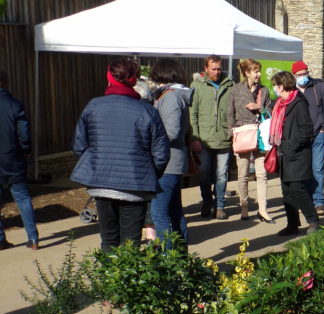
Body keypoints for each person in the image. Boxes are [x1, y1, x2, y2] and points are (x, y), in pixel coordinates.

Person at [71, 59, 169, 251]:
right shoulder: (147, 111)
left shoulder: (93, 106)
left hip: (102, 184)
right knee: (130, 244)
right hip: (135, 185)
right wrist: (148, 174)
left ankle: (109, 280)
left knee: (109, 241)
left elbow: (79, 145)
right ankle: (126, 280)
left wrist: (97, 166)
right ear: (134, 81)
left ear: (109, 78)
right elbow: (161, 153)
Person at [270, 71, 319, 236]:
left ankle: (313, 221)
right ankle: (292, 224)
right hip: (284, 154)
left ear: (281, 86)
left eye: (275, 86)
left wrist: (290, 146)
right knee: (287, 191)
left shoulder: (298, 103)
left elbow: (306, 130)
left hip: (296, 155)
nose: (274, 90)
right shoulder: (281, 103)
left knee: (297, 189)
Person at [149, 58, 192, 247]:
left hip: (167, 163)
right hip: (172, 161)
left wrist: (149, 140)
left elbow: (171, 132)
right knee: (174, 212)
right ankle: (180, 259)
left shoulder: (170, 97)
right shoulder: (173, 95)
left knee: (159, 212)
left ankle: (170, 260)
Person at [229, 58, 272, 222]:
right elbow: (229, 113)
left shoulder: (264, 90)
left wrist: (259, 107)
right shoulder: (235, 90)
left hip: (260, 135)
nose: (259, 74)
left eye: (259, 71)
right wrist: (232, 133)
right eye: (256, 71)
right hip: (243, 134)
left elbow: (270, 111)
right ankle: (244, 206)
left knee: (262, 174)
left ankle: (263, 209)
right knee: (243, 174)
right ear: (247, 73)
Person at [190, 55, 233, 220]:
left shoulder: (229, 85)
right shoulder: (197, 85)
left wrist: (232, 132)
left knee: (222, 174)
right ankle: (207, 202)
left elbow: (233, 110)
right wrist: (194, 138)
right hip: (204, 139)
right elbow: (192, 114)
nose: (216, 72)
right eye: (213, 69)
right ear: (206, 69)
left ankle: (220, 205)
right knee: (204, 173)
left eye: (219, 68)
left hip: (223, 137)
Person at [0, 70, 39, 250]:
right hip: (12, 156)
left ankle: (0, 239)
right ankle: (32, 238)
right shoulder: (15, 105)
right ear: (6, 82)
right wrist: (25, 151)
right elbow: (24, 134)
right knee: (22, 197)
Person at [292, 60, 324, 216]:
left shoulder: (319, 87)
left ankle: (318, 201)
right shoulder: (292, 90)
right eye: (300, 75)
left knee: (318, 169)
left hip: (318, 135)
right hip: (299, 137)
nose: (303, 77)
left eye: (305, 73)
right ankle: (306, 201)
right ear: (294, 76)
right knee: (303, 170)